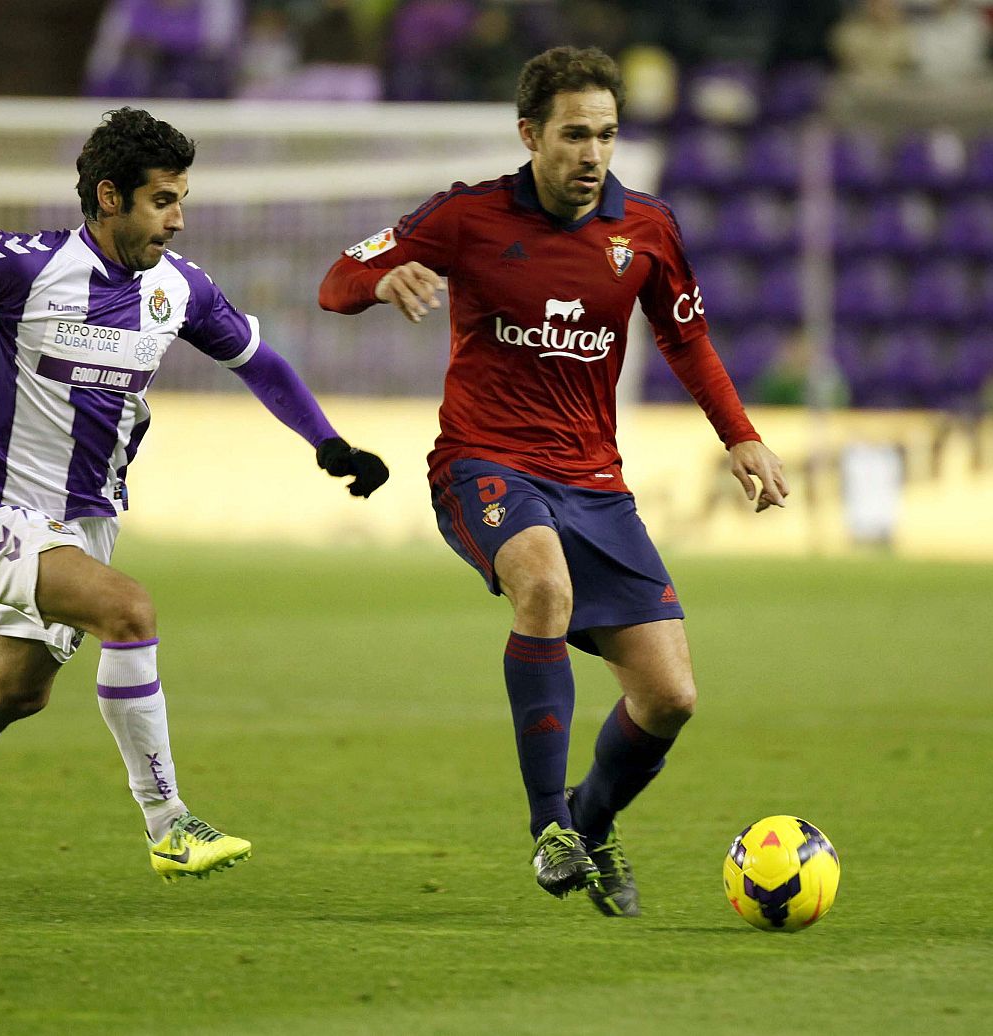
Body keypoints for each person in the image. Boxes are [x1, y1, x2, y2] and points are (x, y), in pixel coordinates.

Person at [0, 107, 388, 886]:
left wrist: (328, 443)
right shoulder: (24, 264)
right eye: (163, 200)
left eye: (180, 200)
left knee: (16, 692)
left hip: (87, 525)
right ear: (110, 197)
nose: (178, 219)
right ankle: (170, 825)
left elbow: (258, 361)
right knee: (129, 612)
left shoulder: (181, 290)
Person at [319, 46, 787, 917]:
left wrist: (742, 436)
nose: (593, 154)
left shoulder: (645, 229)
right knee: (542, 582)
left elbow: (686, 338)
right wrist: (383, 279)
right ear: (531, 134)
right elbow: (336, 279)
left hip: (596, 484)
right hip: (482, 462)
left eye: (607, 135)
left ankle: (591, 820)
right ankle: (550, 830)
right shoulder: (464, 215)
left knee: (671, 697)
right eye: (575, 135)